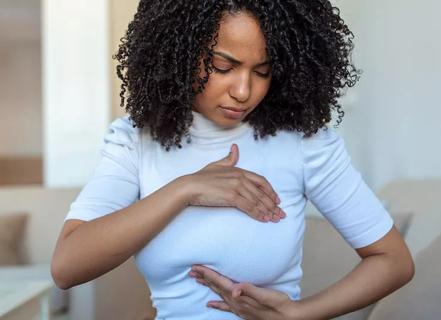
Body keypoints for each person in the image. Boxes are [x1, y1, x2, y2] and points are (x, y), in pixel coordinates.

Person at [51, 1, 415, 319]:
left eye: (262, 71)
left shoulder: (304, 143)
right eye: (223, 67)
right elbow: (67, 266)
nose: (243, 91)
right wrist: (186, 189)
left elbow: (393, 261)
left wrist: (299, 314)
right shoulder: (135, 141)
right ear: (179, 52)